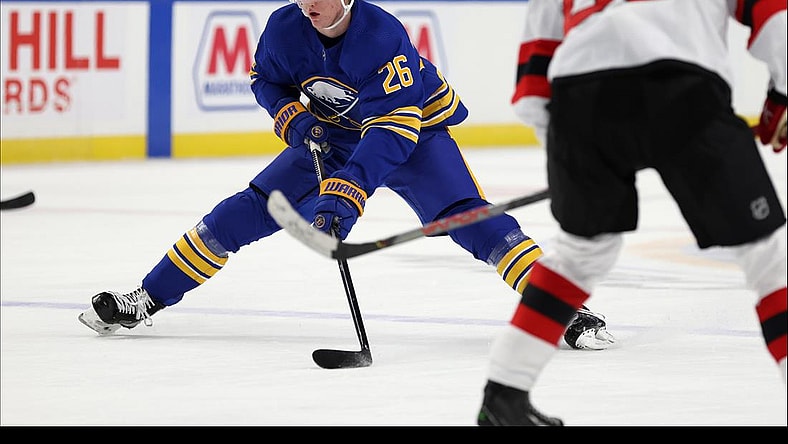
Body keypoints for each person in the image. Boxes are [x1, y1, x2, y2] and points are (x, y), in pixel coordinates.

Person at [77, 0, 612, 350]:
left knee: (472, 223)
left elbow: (392, 134)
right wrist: (294, 119)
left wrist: (345, 194)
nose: (309, 4)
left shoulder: (381, 37)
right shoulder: (287, 26)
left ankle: (566, 312)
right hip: (330, 136)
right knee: (242, 212)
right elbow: (267, 80)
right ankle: (145, 300)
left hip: (414, 136)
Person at [477, 0, 787, 426]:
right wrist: (780, 98)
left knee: (581, 254)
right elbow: (778, 21)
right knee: (767, 257)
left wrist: (570, 156)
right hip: (683, 86)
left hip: (579, 97)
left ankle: (503, 398)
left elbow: (531, 88)